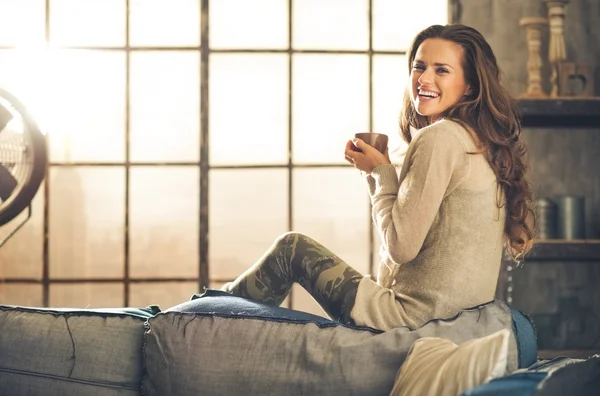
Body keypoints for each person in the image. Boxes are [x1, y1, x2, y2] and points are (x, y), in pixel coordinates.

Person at [221, 23, 535, 331]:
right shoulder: (483, 142)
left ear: (470, 85)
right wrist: (379, 174)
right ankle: (216, 305)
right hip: (452, 319)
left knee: (291, 249)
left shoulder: (440, 138)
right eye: (419, 66)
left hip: (410, 319)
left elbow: (400, 247)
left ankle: (208, 316)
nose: (424, 79)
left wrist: (380, 173)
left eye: (442, 70)